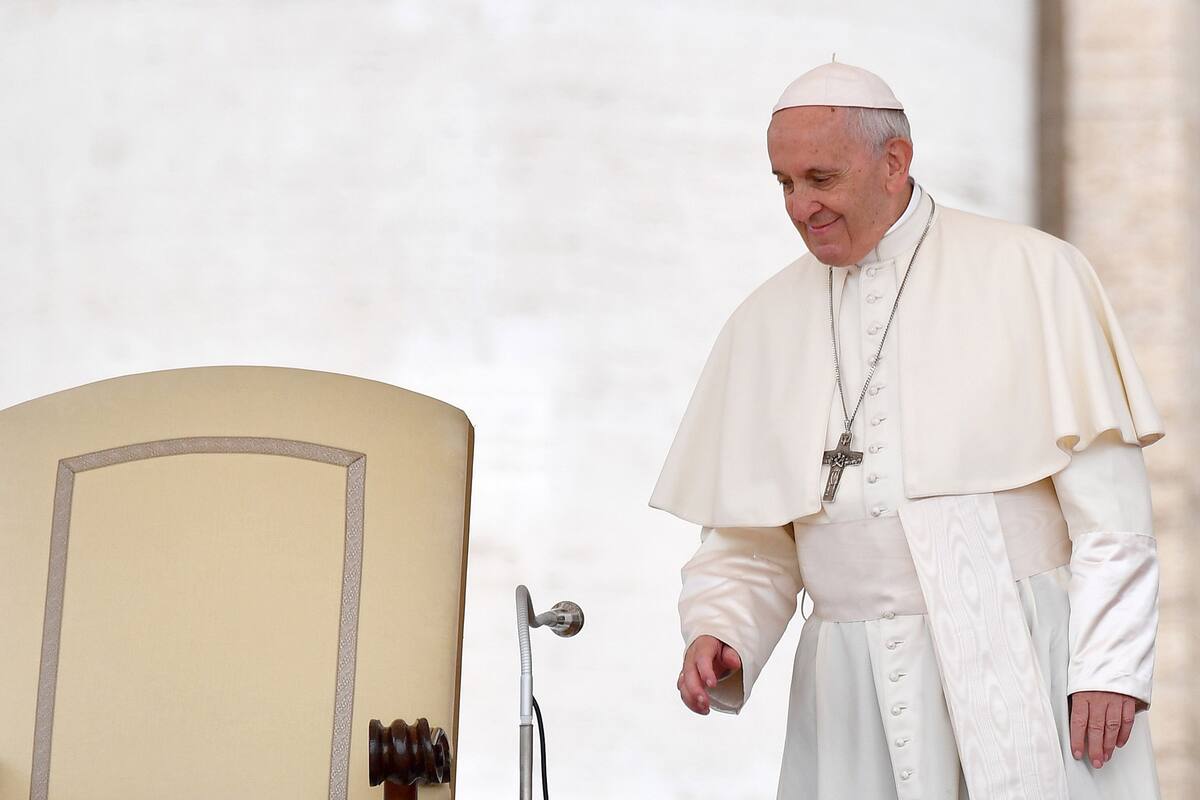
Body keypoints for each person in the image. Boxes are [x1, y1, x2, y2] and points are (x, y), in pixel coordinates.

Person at [649, 60, 1164, 800]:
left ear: (894, 162)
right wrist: (722, 630)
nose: (800, 207)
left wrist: (1107, 666)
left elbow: (1114, 514)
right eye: (784, 183)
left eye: (820, 179)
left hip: (1018, 649)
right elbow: (749, 541)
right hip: (849, 683)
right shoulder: (762, 322)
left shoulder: (1033, 272)